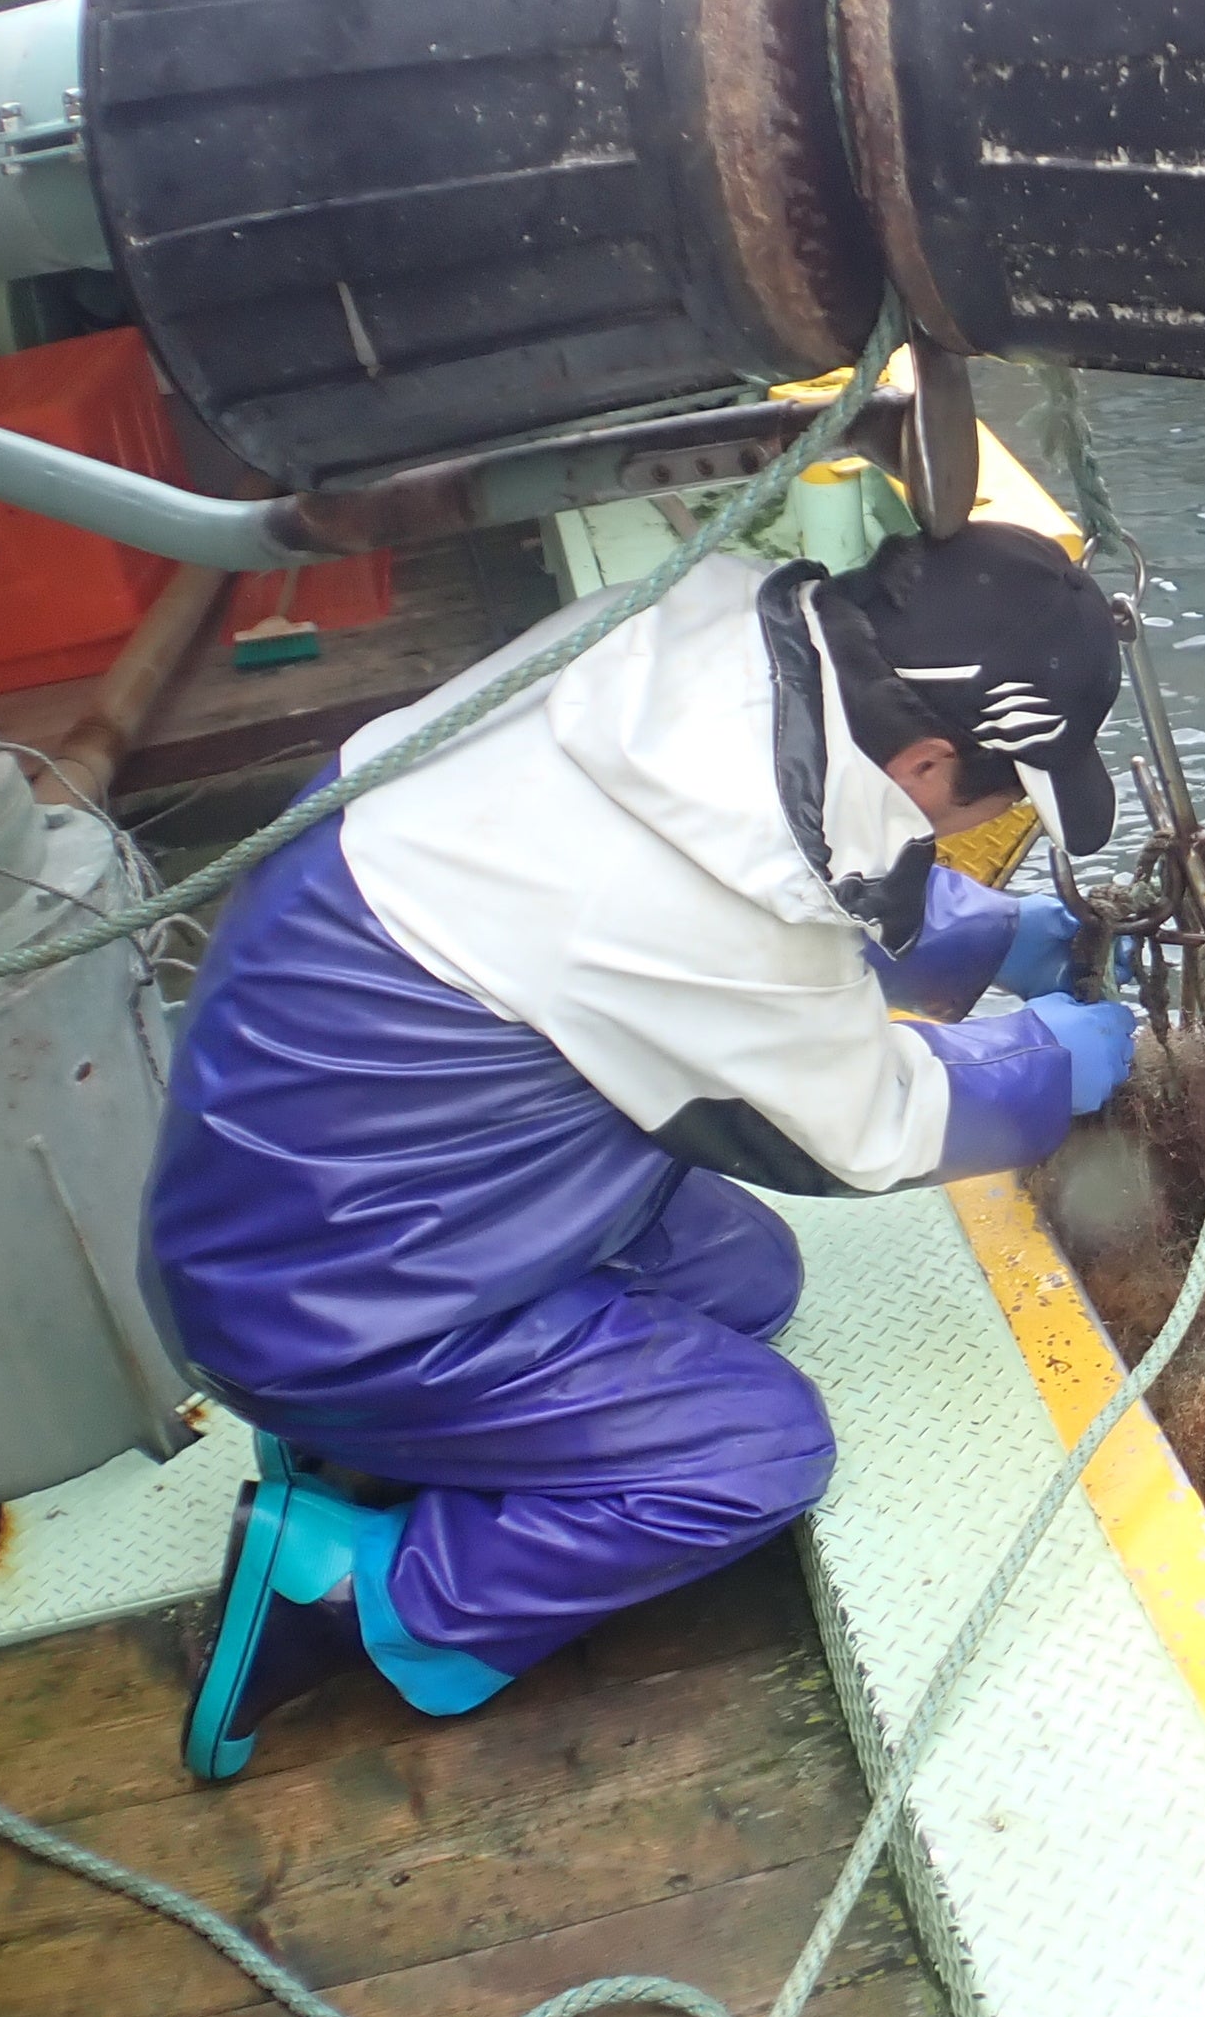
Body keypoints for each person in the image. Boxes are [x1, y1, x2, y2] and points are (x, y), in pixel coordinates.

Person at [148, 520, 1143, 1779]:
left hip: (321, 1158)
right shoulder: (718, 894)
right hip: (324, 1295)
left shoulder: (705, 626)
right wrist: (1053, 1064)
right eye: (996, 802)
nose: (979, 825)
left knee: (748, 1279)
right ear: (932, 761)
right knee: (754, 1449)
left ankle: (380, 1442)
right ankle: (366, 1594)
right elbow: (866, 1121)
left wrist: (993, 939)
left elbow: (789, 877)